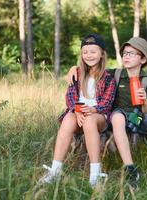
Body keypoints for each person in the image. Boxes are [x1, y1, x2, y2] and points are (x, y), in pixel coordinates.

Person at [67, 37, 147, 188]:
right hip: (118, 116)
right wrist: (74, 68)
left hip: (139, 118)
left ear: (143, 59)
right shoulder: (115, 74)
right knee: (118, 117)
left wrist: (144, 99)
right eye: (124, 53)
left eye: (131, 53)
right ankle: (130, 169)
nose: (126, 56)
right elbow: (91, 68)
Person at [39, 33, 116, 186]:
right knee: (67, 119)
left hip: (97, 115)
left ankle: (95, 174)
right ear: (81, 55)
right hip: (78, 113)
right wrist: (77, 110)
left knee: (89, 122)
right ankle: (55, 170)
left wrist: (91, 111)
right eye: (85, 52)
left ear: (101, 54)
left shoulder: (108, 78)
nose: (89, 55)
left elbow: (107, 104)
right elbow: (70, 97)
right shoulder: (77, 74)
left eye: (93, 51)